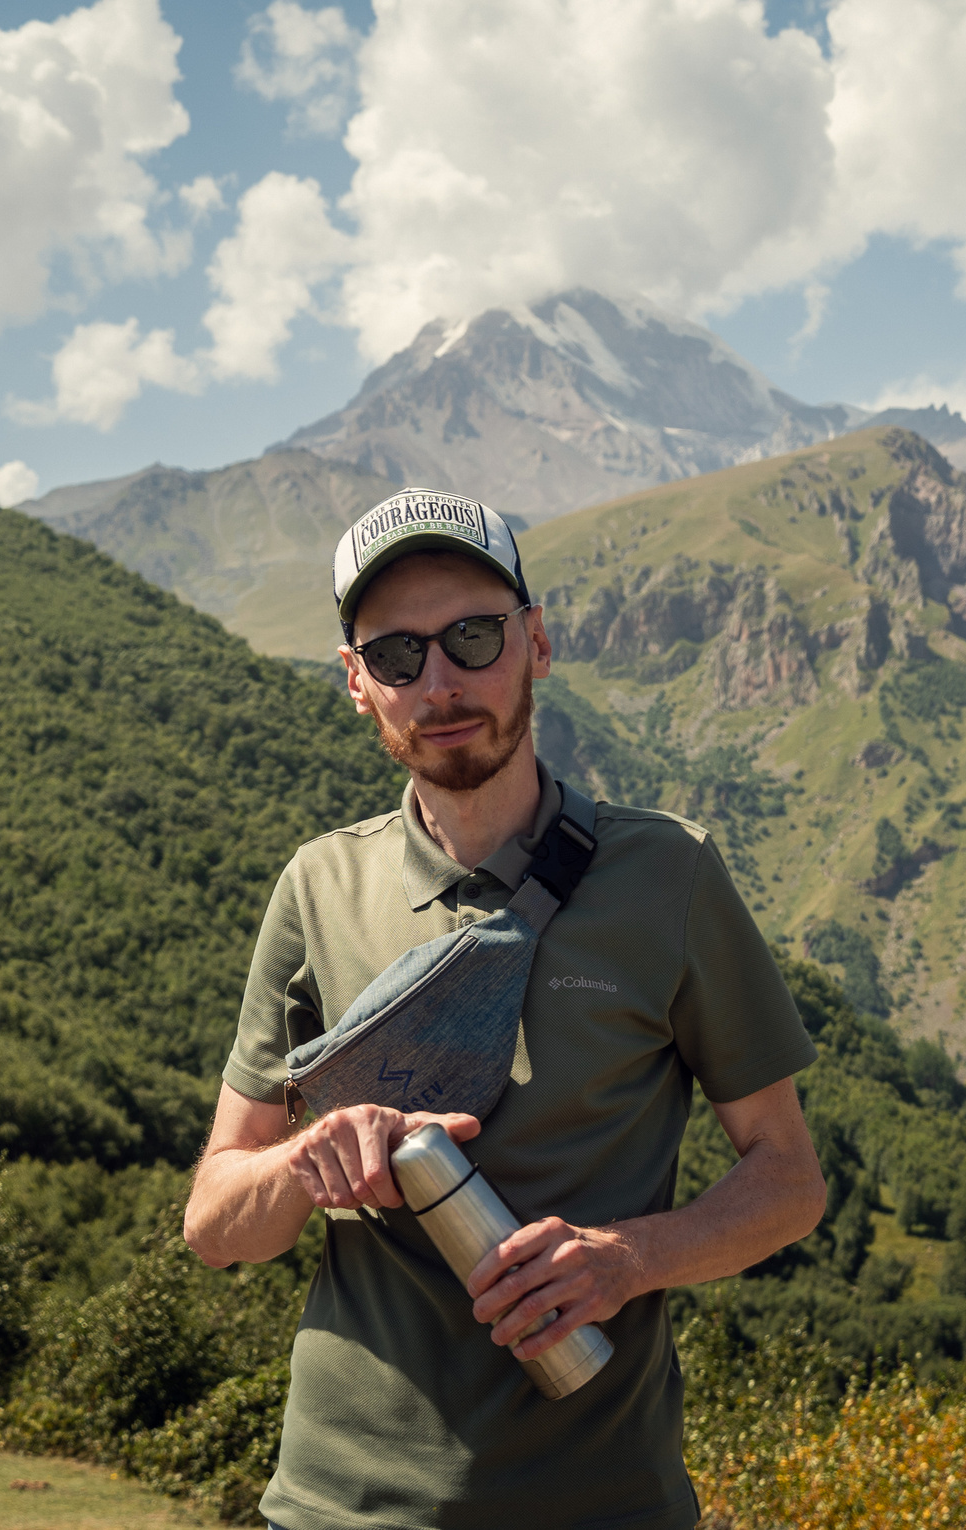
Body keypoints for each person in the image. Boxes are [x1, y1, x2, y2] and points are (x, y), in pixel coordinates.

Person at [183, 488, 827, 1530]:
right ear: (357, 683)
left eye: (472, 637)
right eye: (396, 655)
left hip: (603, 1502)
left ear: (536, 642)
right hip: (339, 1505)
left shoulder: (668, 873)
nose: (438, 683)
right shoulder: (316, 887)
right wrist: (307, 1158)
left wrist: (628, 1259)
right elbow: (215, 1222)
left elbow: (788, 1179)